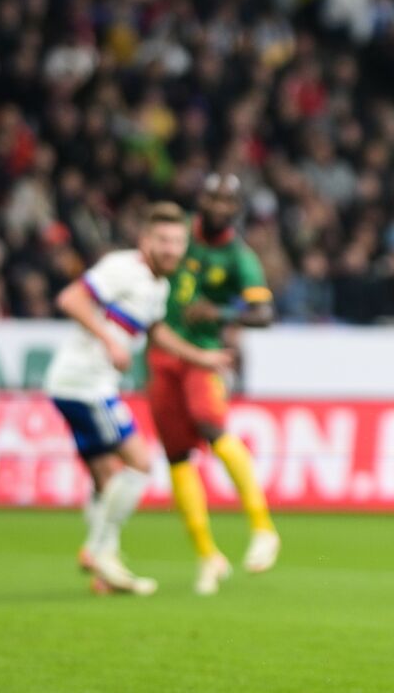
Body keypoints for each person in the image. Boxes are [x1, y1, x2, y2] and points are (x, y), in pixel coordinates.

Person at [44, 202, 233, 595]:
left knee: (106, 477)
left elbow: (157, 333)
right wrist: (110, 341)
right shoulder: (122, 268)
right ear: (145, 240)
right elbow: (71, 300)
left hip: (83, 385)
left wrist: (203, 358)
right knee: (140, 462)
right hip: (84, 384)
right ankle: (98, 551)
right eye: (162, 240)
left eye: (178, 242)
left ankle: (104, 574)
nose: (171, 249)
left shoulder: (158, 286)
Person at [147, 173, 278, 596]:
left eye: (227, 199)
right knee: (177, 455)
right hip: (160, 352)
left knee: (210, 424)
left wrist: (221, 314)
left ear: (237, 208)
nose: (219, 204)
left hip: (203, 355)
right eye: (212, 196)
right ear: (200, 199)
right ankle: (208, 556)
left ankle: (263, 527)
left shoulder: (240, 258)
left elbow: (263, 314)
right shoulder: (177, 233)